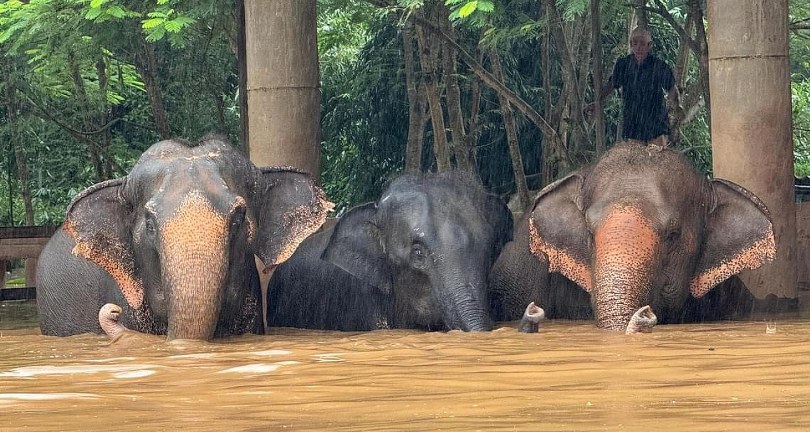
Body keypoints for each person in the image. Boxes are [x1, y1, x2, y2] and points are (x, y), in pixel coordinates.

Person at [585, 26, 684, 148]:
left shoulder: (659, 66)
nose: (638, 47)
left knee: (657, 160)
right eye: (635, 43)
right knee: (636, 162)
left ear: (649, 45)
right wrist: (597, 101)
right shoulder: (623, 65)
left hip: (656, 122)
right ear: (631, 44)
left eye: (642, 44)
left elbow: (672, 89)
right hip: (633, 122)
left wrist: (677, 107)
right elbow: (611, 85)